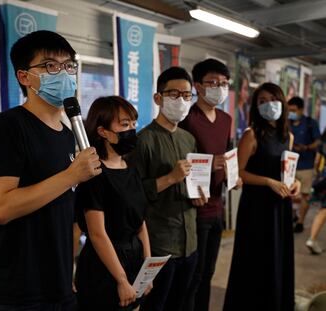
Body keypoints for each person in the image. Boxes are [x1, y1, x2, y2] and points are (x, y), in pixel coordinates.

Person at [0, 30, 101, 311]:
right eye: (50, 66)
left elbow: (64, 213)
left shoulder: (69, 133)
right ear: (24, 77)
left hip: (58, 284)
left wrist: (68, 269)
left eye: (69, 65)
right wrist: (71, 175)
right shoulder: (8, 127)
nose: (64, 73)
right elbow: (1, 207)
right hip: (16, 291)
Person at [129, 66, 207, 311]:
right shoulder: (143, 141)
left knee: (183, 302)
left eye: (187, 96)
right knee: (156, 305)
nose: (182, 101)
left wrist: (198, 195)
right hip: (160, 244)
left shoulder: (188, 138)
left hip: (190, 241)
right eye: (174, 95)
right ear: (158, 98)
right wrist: (170, 178)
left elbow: (192, 181)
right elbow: (132, 194)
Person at [223, 82, 301, 311]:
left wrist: (294, 183)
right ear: (256, 107)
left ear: (282, 102)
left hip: (280, 207)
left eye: (272, 99)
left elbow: (289, 171)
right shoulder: (251, 134)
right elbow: (239, 172)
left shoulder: (289, 136)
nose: (268, 105)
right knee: (255, 260)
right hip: (257, 208)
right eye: (262, 101)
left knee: (278, 258)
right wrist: (268, 182)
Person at [74, 96, 151, 310]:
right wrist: (121, 280)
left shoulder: (131, 168)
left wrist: (148, 269)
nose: (132, 130)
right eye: (125, 124)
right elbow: (97, 233)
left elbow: (141, 223)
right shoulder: (94, 174)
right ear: (102, 131)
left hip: (134, 258)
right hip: (104, 265)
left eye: (134, 124)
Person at [179, 58, 242, 311]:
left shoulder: (226, 119)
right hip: (195, 207)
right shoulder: (187, 119)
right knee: (193, 275)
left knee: (208, 273)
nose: (220, 87)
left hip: (218, 206)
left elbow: (227, 154)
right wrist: (209, 164)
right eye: (213, 82)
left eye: (225, 83)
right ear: (198, 86)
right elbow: (179, 162)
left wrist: (233, 174)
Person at [288, 96, 321, 233]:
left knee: (305, 194)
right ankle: (292, 216)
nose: (291, 113)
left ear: (301, 110)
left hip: (306, 165)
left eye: (294, 110)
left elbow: (318, 141)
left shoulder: (310, 123)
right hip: (290, 166)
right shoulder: (286, 123)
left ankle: (300, 222)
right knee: (288, 193)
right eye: (289, 110)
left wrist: (307, 147)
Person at [236, 72, 250, 141]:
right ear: (238, 90)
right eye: (245, 89)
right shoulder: (234, 110)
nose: (247, 93)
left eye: (247, 89)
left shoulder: (245, 109)